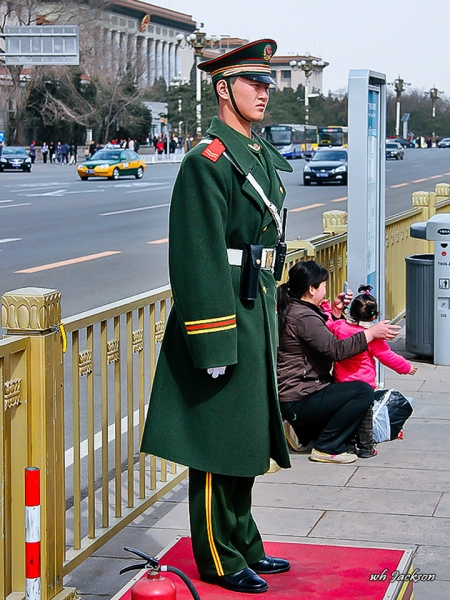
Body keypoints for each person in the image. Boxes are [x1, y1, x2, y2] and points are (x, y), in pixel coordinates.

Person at [141, 39, 292, 594]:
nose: (264, 92)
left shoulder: (252, 152)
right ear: (223, 88)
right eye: (253, 83)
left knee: (246, 436)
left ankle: (244, 540)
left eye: (267, 83)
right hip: (225, 310)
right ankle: (218, 558)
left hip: (256, 305)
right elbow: (197, 254)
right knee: (215, 443)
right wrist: (210, 340)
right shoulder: (207, 160)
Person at [277, 261, 400, 464]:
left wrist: (335, 313)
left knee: (348, 398)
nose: (325, 291)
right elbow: (335, 350)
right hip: (300, 397)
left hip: (300, 394)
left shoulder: (296, 308)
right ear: (311, 289)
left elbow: (321, 336)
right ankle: (326, 447)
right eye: (323, 286)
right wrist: (370, 333)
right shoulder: (303, 316)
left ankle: (303, 432)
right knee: (363, 392)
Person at [327, 284, 417, 458]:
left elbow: (328, 323)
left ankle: (348, 443)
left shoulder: (340, 328)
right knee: (365, 419)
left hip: (341, 384)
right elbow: (388, 357)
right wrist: (407, 367)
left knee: (346, 416)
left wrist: (330, 308)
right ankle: (366, 448)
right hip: (364, 385)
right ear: (374, 316)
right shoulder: (372, 337)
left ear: (351, 311)